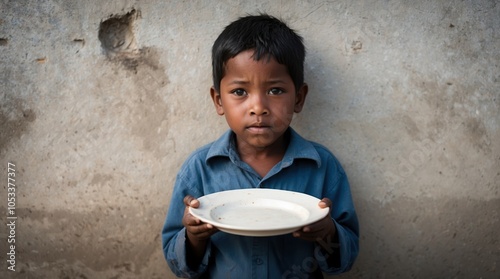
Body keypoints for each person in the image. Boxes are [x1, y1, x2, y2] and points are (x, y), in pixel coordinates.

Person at [162, 14, 359, 278]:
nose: (258, 108)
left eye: (275, 90)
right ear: (218, 101)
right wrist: (194, 236)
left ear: (298, 98)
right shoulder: (199, 169)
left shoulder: (323, 167)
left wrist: (327, 232)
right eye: (240, 92)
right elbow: (178, 264)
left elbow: (345, 257)